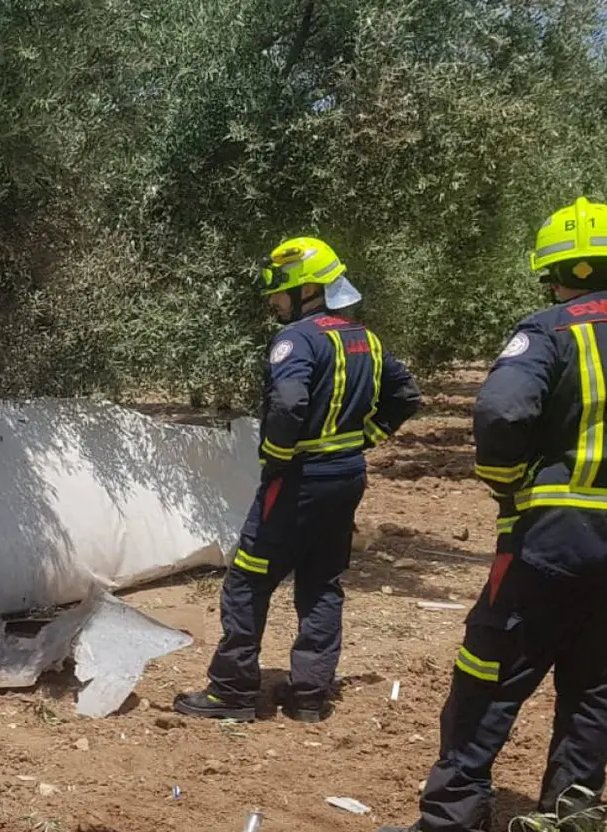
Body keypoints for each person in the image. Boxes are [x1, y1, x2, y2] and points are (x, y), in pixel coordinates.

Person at [374, 198, 607, 832]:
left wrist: (506, 482)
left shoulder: (552, 330)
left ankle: (451, 826)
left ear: (554, 271)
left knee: (489, 673)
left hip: (550, 538)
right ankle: (570, 824)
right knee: (596, 682)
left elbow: (502, 412)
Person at [173, 238, 422, 724]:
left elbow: (289, 403)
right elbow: (405, 395)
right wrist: (366, 437)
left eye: (279, 291)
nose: (273, 301)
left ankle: (233, 691)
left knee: (247, 581)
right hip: (347, 476)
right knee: (321, 582)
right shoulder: (365, 339)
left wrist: (276, 455)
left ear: (307, 289)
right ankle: (310, 694)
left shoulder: (297, 340)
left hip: (299, 479)